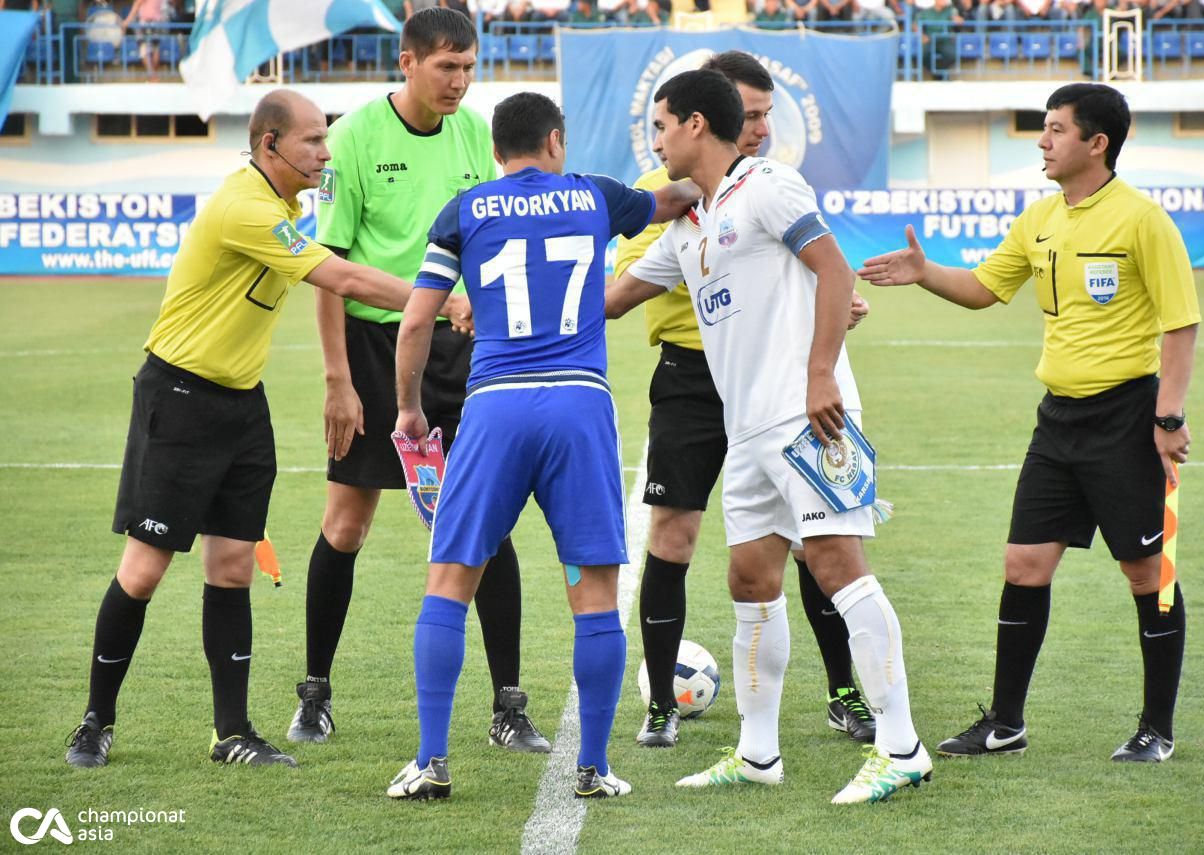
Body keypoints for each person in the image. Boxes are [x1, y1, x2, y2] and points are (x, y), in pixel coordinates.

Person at [63, 90, 415, 770]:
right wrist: (439, 297)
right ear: (269, 146)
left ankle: (233, 732)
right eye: (311, 140)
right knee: (143, 570)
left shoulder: (284, 204)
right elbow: (337, 275)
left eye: (325, 138)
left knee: (231, 569)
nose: (325, 150)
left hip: (243, 407)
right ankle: (95, 720)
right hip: (181, 399)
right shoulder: (246, 206)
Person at [607, 69, 931, 805]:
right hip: (745, 426)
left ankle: (902, 745)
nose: (655, 140)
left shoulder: (770, 187)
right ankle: (757, 754)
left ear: (694, 125)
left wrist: (822, 375)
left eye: (661, 126)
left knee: (836, 564)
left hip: (807, 414)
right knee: (750, 579)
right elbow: (613, 300)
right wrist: (492, 309)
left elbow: (833, 268)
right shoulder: (688, 224)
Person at [858, 83, 1199, 763]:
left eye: (1055, 129)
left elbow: (1180, 323)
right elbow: (986, 289)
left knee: (1146, 571)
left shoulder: (1142, 220)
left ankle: (1156, 728)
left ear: (1096, 143)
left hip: (1127, 418)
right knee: (1023, 564)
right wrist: (925, 273)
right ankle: (1005, 722)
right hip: (1057, 422)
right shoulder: (1040, 217)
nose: (1042, 141)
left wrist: (1167, 416)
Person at [384, 92, 701, 801]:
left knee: (450, 581)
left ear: (497, 151)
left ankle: (432, 759)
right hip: (579, 404)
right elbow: (678, 196)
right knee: (593, 591)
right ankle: (591, 765)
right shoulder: (595, 196)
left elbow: (414, 325)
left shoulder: (464, 211)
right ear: (556, 141)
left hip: (493, 406)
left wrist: (409, 409)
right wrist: (709, 174)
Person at [287, 8, 548, 755]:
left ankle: (509, 706)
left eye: (468, 68)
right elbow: (328, 273)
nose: (460, 83)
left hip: (462, 351)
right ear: (407, 62)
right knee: (347, 524)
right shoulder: (357, 139)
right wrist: (339, 381)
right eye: (446, 68)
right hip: (374, 350)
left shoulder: (478, 135)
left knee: (486, 525)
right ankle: (314, 695)